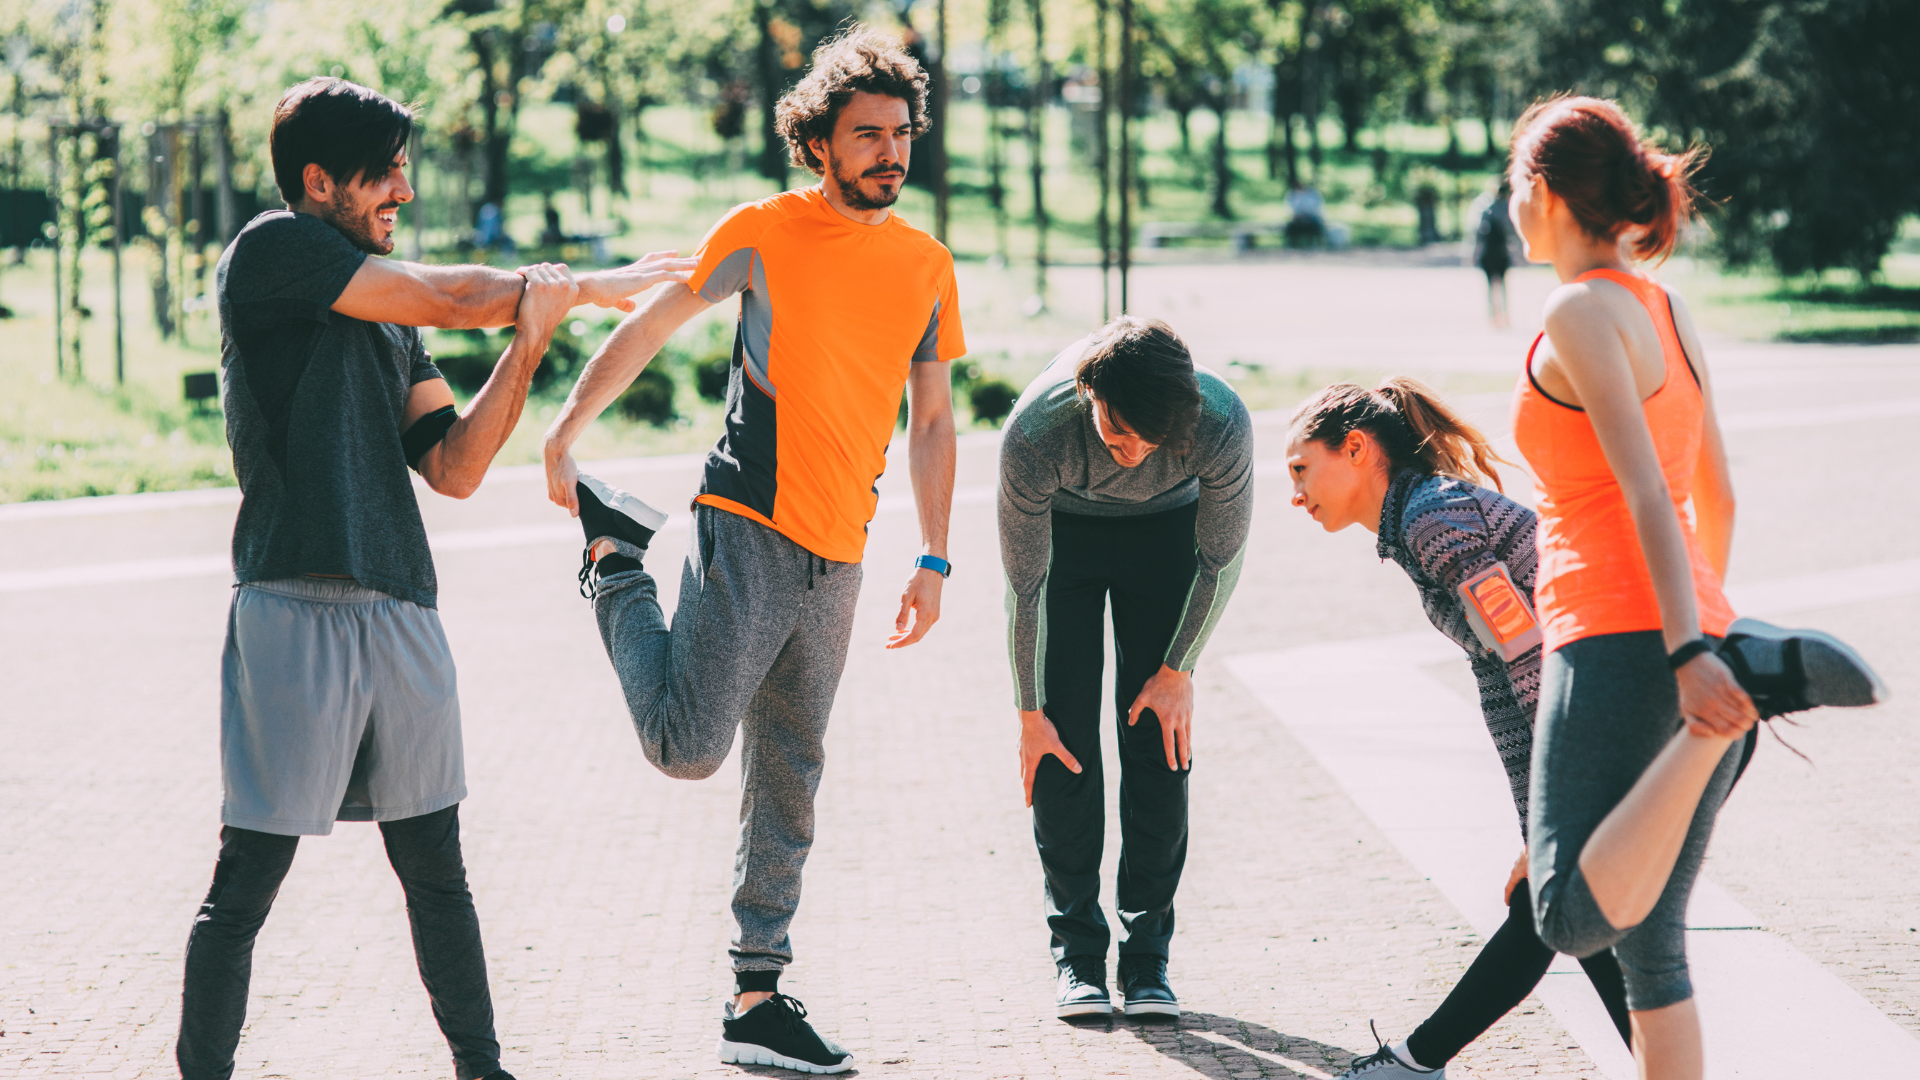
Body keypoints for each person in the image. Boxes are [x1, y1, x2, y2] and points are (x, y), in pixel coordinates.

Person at [185, 77, 691, 1080]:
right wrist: (585, 284)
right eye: (384, 174)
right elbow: (455, 294)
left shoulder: (389, 315)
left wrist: (534, 337)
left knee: (437, 870)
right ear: (318, 180)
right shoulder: (273, 254)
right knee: (247, 879)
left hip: (401, 608)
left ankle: (483, 1070)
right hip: (293, 598)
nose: (403, 193)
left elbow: (453, 466)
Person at [539, 28, 961, 1075]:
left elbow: (936, 421)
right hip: (752, 520)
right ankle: (615, 562)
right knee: (687, 747)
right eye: (866, 135)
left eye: (901, 134)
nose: (889, 153)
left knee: (792, 772)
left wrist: (936, 556)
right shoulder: (764, 231)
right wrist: (563, 431)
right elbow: (651, 323)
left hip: (843, 551)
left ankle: (756, 993)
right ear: (817, 143)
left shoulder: (927, 263)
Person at [1506, 95, 1884, 1077]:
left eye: (1516, 184)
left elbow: (1641, 492)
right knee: (1651, 946)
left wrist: (1691, 661)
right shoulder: (1664, 310)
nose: (1511, 203)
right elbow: (1708, 490)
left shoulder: (1578, 310)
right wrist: (1707, 626)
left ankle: (1744, 692)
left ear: (1542, 192)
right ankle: (1742, 682)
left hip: (1628, 637)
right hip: (1693, 635)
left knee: (1569, 912)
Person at [1282, 377, 1640, 1077]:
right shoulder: (1418, 521)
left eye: (1301, 469)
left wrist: (1556, 811)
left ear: (1354, 449)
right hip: (1599, 701)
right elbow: (1509, 672)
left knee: (1557, 898)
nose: (1296, 494)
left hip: (1617, 696)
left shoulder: (1431, 519)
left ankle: (1415, 1063)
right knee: (1571, 906)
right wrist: (1539, 816)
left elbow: (1529, 652)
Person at [999, 317, 1253, 1019]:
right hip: (1066, 541)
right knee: (1063, 742)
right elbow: (1025, 586)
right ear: (1088, 394)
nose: (1134, 452)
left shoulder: (1220, 420)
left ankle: (1146, 960)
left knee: (1158, 742)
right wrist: (1029, 711)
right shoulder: (1036, 434)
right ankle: (1078, 956)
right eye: (1118, 434)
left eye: (1153, 438)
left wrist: (1180, 670)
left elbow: (1220, 561)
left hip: (1167, 539)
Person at [1472, 182, 1515, 329]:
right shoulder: (1508, 209)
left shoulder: (1486, 209)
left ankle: (1492, 317)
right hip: (1502, 252)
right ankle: (1504, 315)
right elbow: (1512, 233)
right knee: (1503, 285)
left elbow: (1479, 233)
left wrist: (1475, 253)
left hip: (1489, 253)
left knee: (1491, 287)